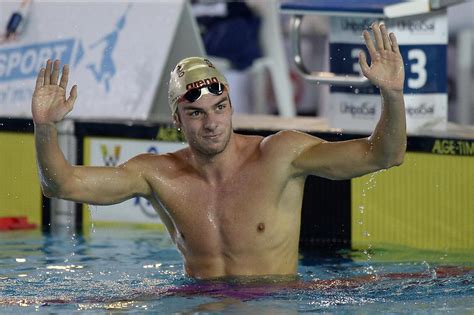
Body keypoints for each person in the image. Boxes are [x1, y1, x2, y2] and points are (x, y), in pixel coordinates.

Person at [32, 23, 406, 279]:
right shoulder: (155, 174)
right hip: (198, 305)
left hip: (272, 305)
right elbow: (60, 185)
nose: (211, 123)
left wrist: (392, 95)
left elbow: (384, 155)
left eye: (220, 107)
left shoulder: (281, 155)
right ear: (177, 119)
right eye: (195, 113)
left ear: (231, 106)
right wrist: (46, 127)